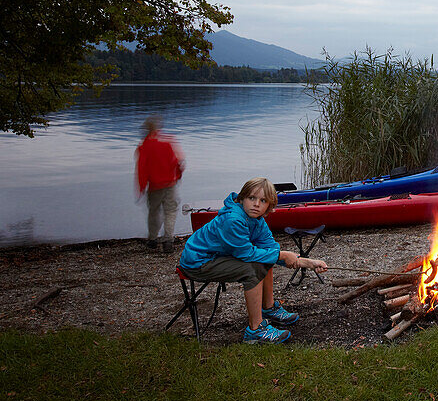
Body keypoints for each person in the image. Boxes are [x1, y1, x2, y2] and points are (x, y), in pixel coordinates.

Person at [178, 177, 328, 344]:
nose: (256, 204)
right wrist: (284, 255)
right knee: (253, 268)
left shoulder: (257, 221)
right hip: (198, 263)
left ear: (268, 206)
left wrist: (308, 262)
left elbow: (270, 249)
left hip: (218, 256)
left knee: (266, 256)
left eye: (262, 200)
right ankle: (255, 330)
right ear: (242, 199)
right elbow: (247, 254)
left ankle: (268, 309)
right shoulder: (233, 220)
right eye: (252, 198)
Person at [135, 116, 185, 253]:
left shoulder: (143, 146)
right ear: (158, 127)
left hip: (154, 186)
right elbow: (178, 162)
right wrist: (178, 176)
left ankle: (152, 239)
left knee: (154, 212)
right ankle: (168, 240)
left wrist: (141, 188)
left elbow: (141, 170)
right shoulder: (168, 141)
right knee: (170, 211)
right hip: (170, 184)